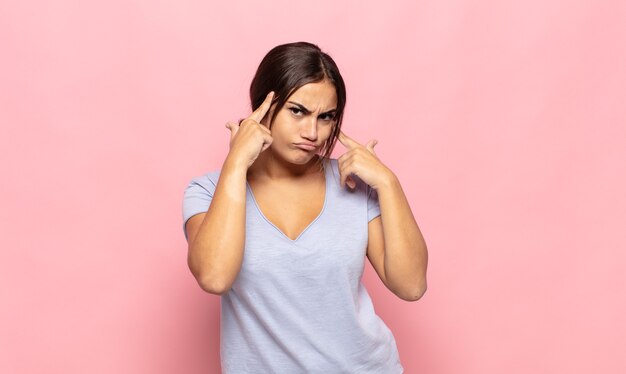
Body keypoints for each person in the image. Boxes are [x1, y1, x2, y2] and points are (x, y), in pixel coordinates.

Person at [182, 41, 428, 373]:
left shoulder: (354, 185)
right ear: (264, 107)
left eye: (325, 117)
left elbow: (411, 285)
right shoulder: (208, 191)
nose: (312, 132)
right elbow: (214, 276)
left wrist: (388, 183)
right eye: (297, 111)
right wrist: (236, 165)